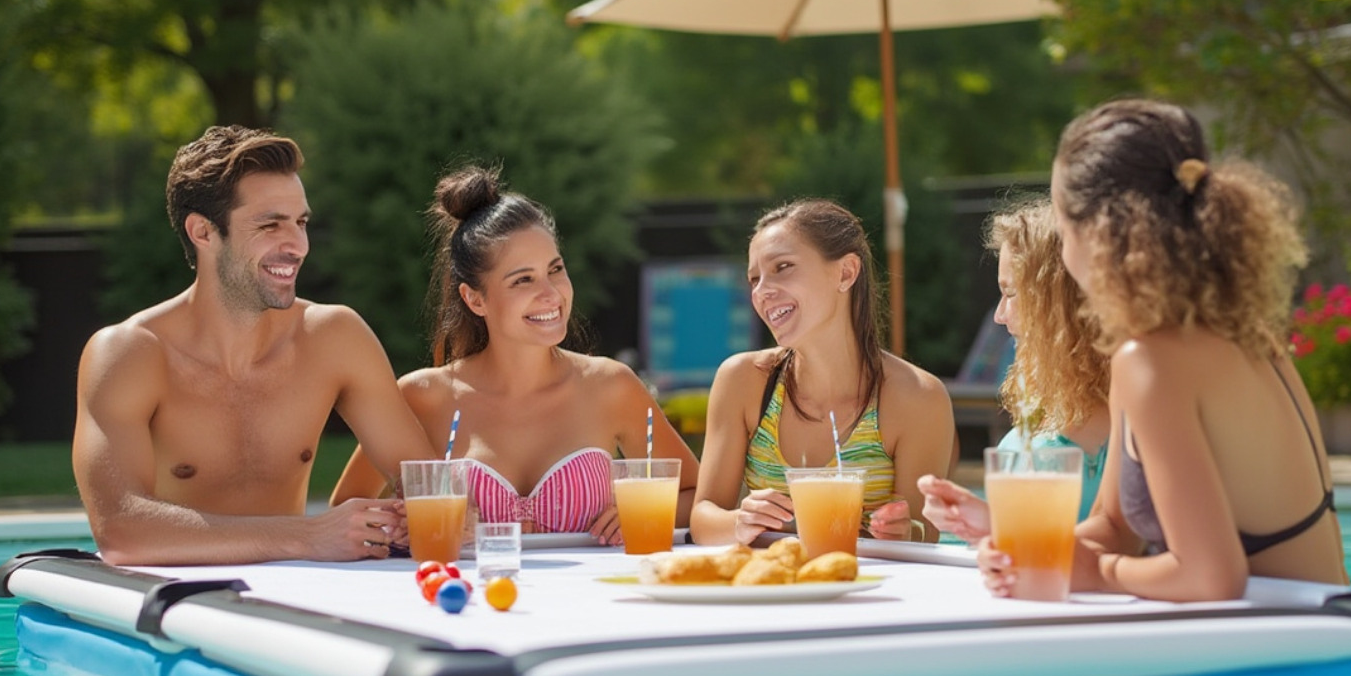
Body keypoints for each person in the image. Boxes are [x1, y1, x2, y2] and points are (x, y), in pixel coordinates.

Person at [925, 100, 1348, 600]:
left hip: (1286, 649)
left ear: (1096, 235)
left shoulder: (1151, 361)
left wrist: (1094, 573)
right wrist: (1030, 551)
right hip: (1337, 632)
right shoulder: (1242, 335)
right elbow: (1111, 525)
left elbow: (1211, 578)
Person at [73, 126, 434, 566]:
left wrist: (411, 517)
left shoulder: (335, 337)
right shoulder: (130, 354)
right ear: (203, 232)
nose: (298, 245)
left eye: (301, 222)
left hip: (287, 603)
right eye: (270, 225)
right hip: (180, 607)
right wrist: (308, 536)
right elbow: (121, 532)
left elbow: (429, 486)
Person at [332, 165, 698, 543]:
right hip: (467, 599)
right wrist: (413, 522)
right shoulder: (421, 397)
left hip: (590, 599)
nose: (552, 293)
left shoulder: (611, 385)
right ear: (475, 299)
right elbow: (346, 514)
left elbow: (700, 497)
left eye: (555, 269)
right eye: (523, 279)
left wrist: (648, 510)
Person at [689, 198, 956, 546]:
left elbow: (926, 535)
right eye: (754, 278)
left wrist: (904, 532)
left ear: (845, 272)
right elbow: (703, 517)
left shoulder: (917, 397)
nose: (761, 291)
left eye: (783, 266)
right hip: (772, 592)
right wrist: (739, 521)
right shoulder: (743, 380)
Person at [920, 200, 1110, 541]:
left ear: (1057, 298)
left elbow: (1109, 542)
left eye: (1011, 292)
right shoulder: (1043, 392)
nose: (1000, 315)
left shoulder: (1128, 409)